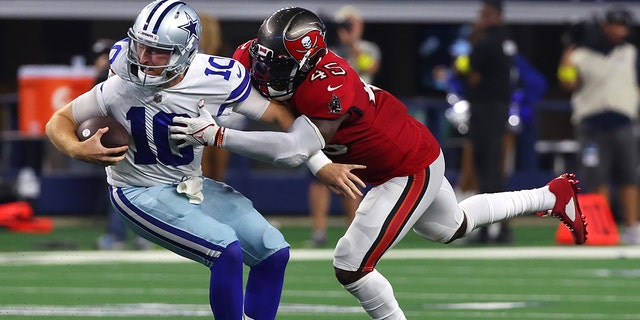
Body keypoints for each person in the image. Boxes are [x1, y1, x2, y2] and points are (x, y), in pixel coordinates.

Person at [170, 7, 588, 319]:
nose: (264, 69)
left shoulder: (330, 84)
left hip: (404, 167)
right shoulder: (257, 56)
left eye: (277, 64)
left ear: (307, 62)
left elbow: (294, 150)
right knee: (453, 226)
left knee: (351, 265)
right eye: (264, 58)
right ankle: (551, 195)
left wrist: (217, 135)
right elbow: (226, 88)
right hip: (400, 154)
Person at [42, 1, 352, 318]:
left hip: (190, 187)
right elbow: (59, 121)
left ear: (185, 52)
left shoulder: (218, 77)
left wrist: (320, 163)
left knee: (273, 251)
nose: (144, 59)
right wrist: (77, 149)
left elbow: (281, 118)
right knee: (225, 250)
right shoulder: (122, 77)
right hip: (138, 191)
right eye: (141, 46)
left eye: (158, 51)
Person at [558, 5, 640, 245]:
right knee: (596, 177)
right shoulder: (581, 54)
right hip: (591, 124)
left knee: (629, 177)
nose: (619, 30)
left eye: (622, 25)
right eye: (614, 24)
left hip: (624, 122)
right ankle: (604, 226)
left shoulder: (630, 52)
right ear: (603, 26)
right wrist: (567, 52)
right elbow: (567, 83)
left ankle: (633, 227)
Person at [307, 4, 381, 247]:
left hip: (357, 119)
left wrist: (350, 43)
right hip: (329, 117)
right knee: (320, 175)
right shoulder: (329, 50)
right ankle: (319, 231)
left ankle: (353, 233)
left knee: (354, 175)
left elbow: (368, 67)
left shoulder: (368, 48)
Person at [453, 0, 518, 243]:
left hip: (486, 110)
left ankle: (492, 229)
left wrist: (470, 48)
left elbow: (463, 67)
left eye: (484, 14)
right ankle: (500, 228)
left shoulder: (487, 41)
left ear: (496, 16)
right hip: (499, 109)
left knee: (486, 170)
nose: (480, 19)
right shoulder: (507, 41)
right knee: (493, 170)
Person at [90, 38, 154, 250]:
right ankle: (143, 235)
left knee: (120, 187)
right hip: (141, 138)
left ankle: (118, 236)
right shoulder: (142, 77)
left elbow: (96, 110)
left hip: (118, 138)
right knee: (140, 187)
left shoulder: (108, 79)